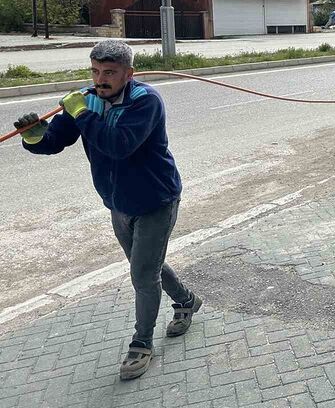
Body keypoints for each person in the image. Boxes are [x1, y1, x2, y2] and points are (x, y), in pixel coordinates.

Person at [12, 40, 200, 381]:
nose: (101, 79)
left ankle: (141, 343)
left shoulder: (146, 102)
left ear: (128, 74)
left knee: (143, 275)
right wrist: (34, 136)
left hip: (156, 200)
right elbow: (55, 143)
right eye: (96, 71)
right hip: (117, 202)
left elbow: (119, 146)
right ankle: (187, 300)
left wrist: (82, 113)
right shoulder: (88, 100)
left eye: (110, 73)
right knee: (147, 265)